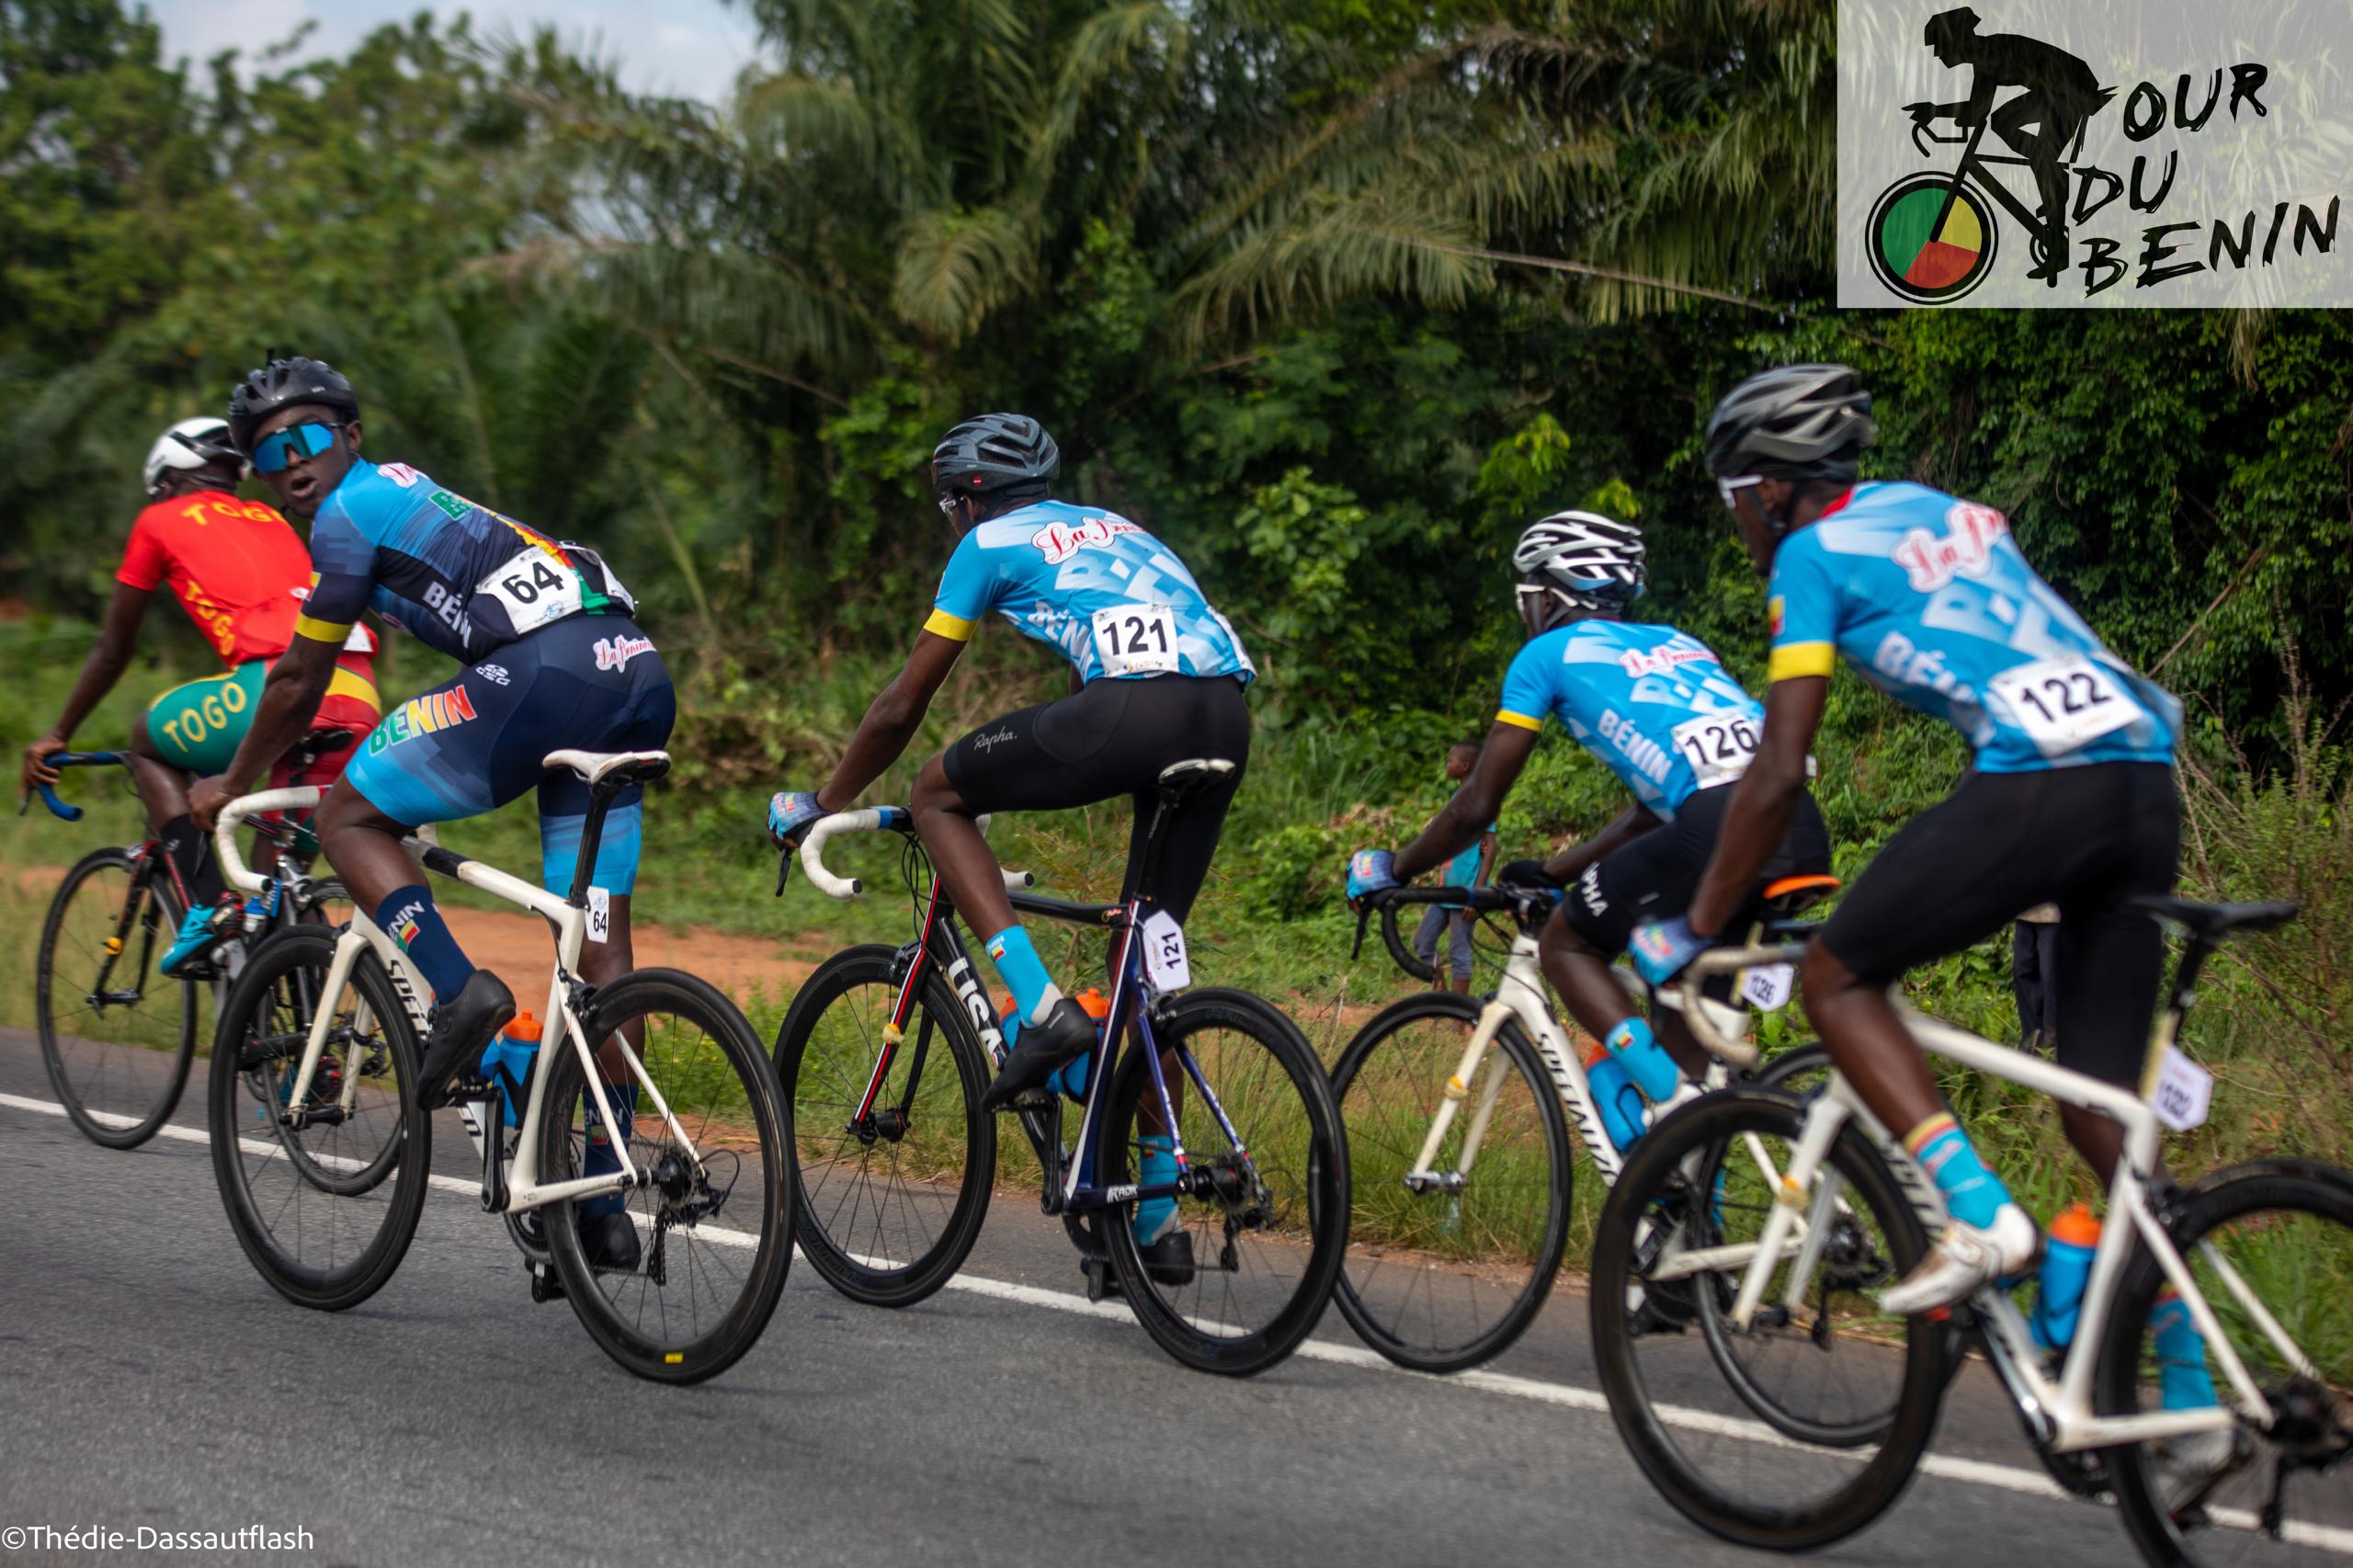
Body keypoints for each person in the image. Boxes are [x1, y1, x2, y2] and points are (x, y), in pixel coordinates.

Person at [1636, 362, 2188, 1320]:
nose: (1737, 519)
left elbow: (1775, 770)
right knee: (2097, 1100)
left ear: (1768, 486)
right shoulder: (1937, 507)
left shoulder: (1809, 555)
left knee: (1836, 978)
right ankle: (2184, 1372)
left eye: (1734, 498)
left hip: (2042, 778)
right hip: (2145, 785)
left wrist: (1698, 919)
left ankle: (1977, 1215)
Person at [185, 355, 673, 1272]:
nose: (291, 461)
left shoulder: (344, 516)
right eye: (267, 452)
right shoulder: (416, 499)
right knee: (602, 947)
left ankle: (462, 994)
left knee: (350, 819)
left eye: (309, 437)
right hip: (633, 668)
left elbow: (299, 677)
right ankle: (604, 1191)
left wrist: (231, 778)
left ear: (351, 437)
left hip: (539, 679)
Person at [765, 412, 1254, 1270]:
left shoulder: (986, 546)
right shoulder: (1117, 528)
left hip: (1137, 713)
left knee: (935, 795)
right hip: (1224, 716)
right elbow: (1098, 664)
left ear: (965, 500)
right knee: (1138, 973)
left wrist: (820, 800)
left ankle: (1041, 1009)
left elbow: (902, 706)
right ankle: (1154, 1220)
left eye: (948, 507)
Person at [1347, 512, 1831, 1127]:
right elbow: (1647, 817)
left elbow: (1478, 803)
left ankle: (1668, 1099)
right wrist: (1554, 870)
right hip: (1796, 822)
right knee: (1685, 1048)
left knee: (1568, 943)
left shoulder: (1544, 655)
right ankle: (1683, 1178)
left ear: (1549, 593)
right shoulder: (1681, 644)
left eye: (1527, 596)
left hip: (1717, 827)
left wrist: (1396, 868)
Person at [21, 416, 382, 973]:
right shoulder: (271, 516)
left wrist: (57, 734)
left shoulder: (160, 518)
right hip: (357, 691)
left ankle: (209, 909)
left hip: (278, 686)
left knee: (146, 743)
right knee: (275, 896)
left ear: (168, 480)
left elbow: (112, 650)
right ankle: (305, 1048)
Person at [1908, 6, 2116, 284]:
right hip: (2058, 90)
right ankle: (2049, 172)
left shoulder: (1990, 55)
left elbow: (1975, 112)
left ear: (1957, 40)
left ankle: (2056, 237)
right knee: (2004, 125)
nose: (1938, 55)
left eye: (1939, 47)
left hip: (2070, 90)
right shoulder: (1985, 58)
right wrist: (1935, 111)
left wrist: (1936, 112)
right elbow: (1975, 112)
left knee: (2020, 138)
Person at [1410, 740, 1495, 994]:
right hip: (1445, 888)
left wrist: (1476, 895)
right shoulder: (1457, 796)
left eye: (1451, 760)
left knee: (1459, 953)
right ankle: (1444, 1001)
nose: (1448, 764)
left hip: (1466, 891)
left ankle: (1458, 1018)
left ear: (1465, 766)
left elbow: (1490, 847)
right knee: (1423, 943)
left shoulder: (1481, 800)